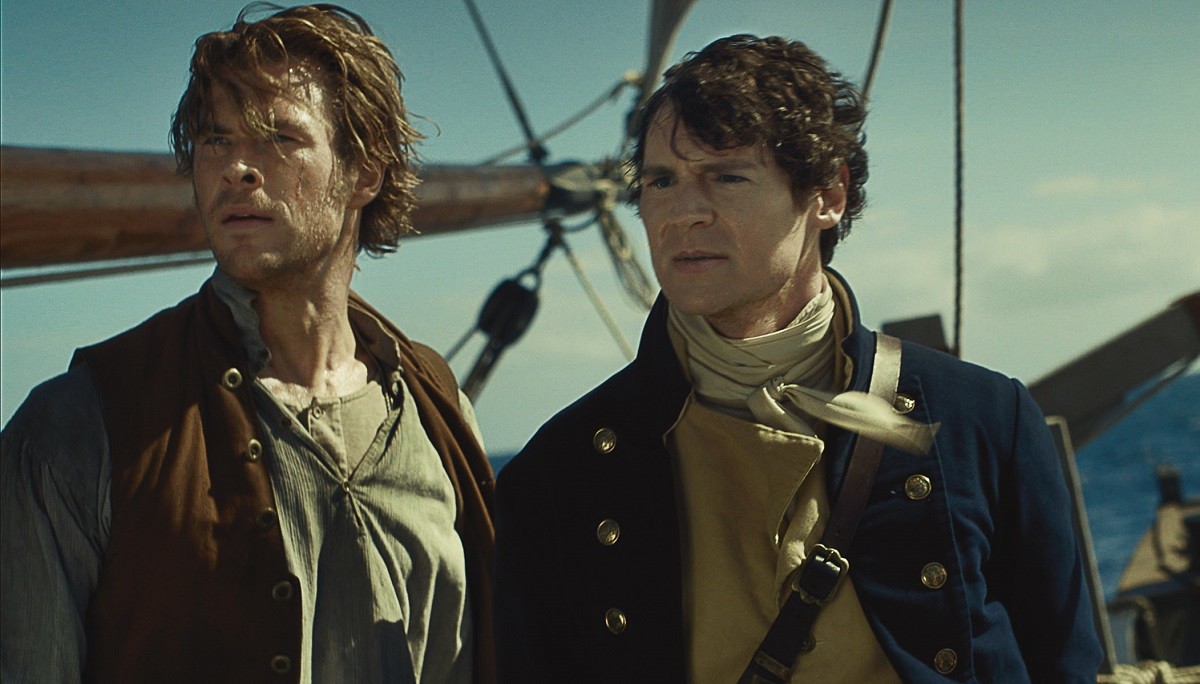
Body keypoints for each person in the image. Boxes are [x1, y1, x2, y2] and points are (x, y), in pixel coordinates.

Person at [494, 34, 1101, 682]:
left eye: (726, 176)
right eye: (661, 180)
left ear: (827, 195)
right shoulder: (557, 474)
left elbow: (1061, 662)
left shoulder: (986, 418)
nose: (682, 213)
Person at [0, 5, 494, 683]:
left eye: (279, 137)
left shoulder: (441, 412)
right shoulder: (78, 427)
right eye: (214, 138)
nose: (236, 166)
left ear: (364, 173)